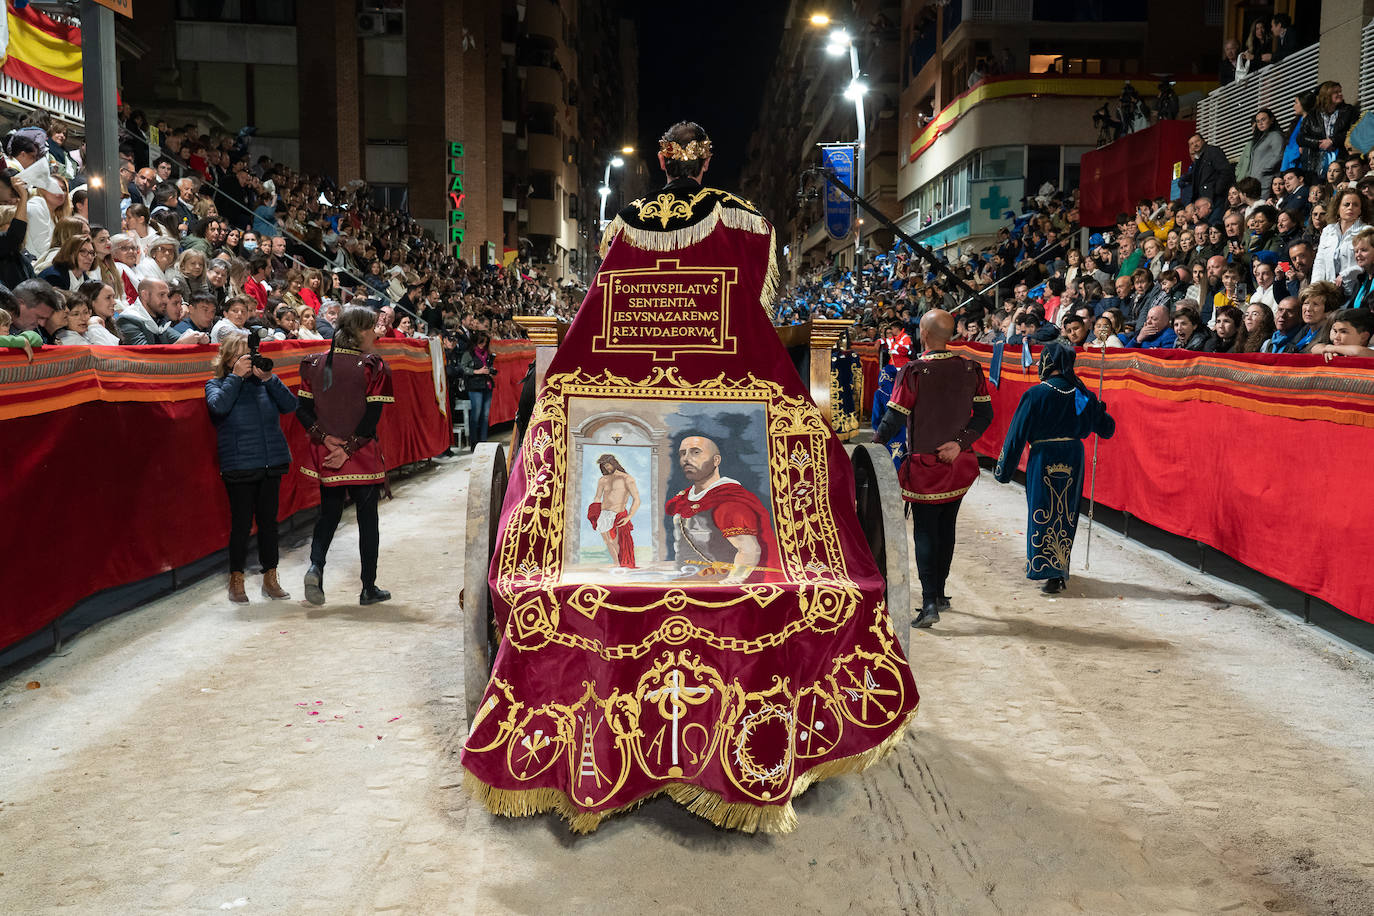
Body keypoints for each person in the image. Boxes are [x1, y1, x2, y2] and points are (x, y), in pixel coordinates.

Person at [872, 309, 993, 628]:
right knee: (946, 526)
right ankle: (938, 593)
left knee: (925, 530)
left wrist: (873, 445)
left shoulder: (913, 371)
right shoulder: (970, 368)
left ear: (923, 334)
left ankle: (928, 604)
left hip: (926, 466)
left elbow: (894, 417)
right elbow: (984, 416)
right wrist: (960, 443)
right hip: (958, 463)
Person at [994, 341, 1115, 594]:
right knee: (1066, 511)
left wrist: (1004, 470)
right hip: (1073, 456)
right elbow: (1107, 429)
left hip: (1044, 456)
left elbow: (1016, 434)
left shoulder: (1036, 394)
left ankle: (1046, 568)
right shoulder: (1082, 394)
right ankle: (1059, 570)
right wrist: (1100, 409)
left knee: (1043, 507)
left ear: (1049, 362)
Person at [295, 304, 394, 606]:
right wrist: (349, 448)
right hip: (360, 453)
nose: (377, 334)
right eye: (373, 328)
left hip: (327, 452)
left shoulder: (313, 363)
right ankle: (368, 587)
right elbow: (371, 418)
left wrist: (327, 441)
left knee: (328, 515)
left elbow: (302, 410)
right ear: (361, 331)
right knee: (368, 521)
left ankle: (315, 566)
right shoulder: (372, 365)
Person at [204, 335, 296, 603]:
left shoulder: (265, 384)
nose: (249, 361)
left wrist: (269, 378)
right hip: (240, 464)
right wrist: (235, 377)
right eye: (243, 356)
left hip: (271, 462)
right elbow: (218, 407)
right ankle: (236, 581)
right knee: (241, 526)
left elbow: (290, 405)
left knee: (269, 524)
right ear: (230, 360)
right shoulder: (216, 384)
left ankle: (270, 578)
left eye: (251, 355)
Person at [664, 435, 781, 584]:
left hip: (719, 583)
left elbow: (749, 551)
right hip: (691, 577)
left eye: (696, 452)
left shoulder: (730, 503)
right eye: (683, 453)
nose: (686, 459)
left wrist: (734, 579)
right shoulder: (686, 497)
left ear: (716, 460)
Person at [586, 454, 641, 569]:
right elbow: (598, 497)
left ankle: (622, 564)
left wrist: (629, 516)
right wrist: (595, 510)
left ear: (613, 463)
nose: (606, 468)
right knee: (607, 542)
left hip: (617, 514)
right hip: (603, 514)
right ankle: (616, 563)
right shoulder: (603, 480)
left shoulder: (627, 478)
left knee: (615, 541)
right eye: (603, 466)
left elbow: (636, 499)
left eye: (607, 465)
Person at [1313, 188, 1369, 291]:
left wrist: (1345, 275)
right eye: (1346, 204)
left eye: (1355, 205)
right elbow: (1319, 262)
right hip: (1329, 290)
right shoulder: (1327, 231)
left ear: (1360, 210)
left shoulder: (1366, 231)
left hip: (1355, 289)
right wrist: (1315, 288)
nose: (1350, 208)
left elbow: (1367, 261)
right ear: (1338, 208)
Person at [458, 329, 495, 450]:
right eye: (481, 343)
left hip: (487, 385)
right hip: (475, 386)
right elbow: (463, 369)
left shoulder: (487, 353)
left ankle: (483, 441)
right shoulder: (469, 354)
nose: (483, 345)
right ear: (475, 342)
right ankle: (474, 443)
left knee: (485, 416)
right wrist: (477, 371)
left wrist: (490, 371)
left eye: (485, 343)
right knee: (476, 415)